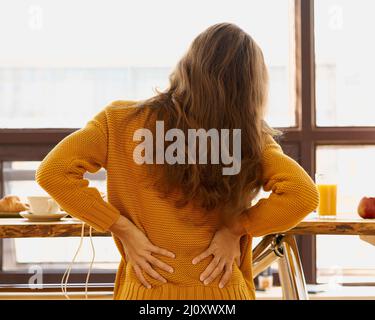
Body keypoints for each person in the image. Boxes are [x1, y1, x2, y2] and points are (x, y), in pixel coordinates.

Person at [35, 23, 319, 300]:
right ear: (250, 88)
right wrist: (236, 228)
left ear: (188, 67)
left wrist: (123, 229)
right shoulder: (248, 137)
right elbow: (302, 195)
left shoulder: (121, 120)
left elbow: (53, 173)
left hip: (145, 291)